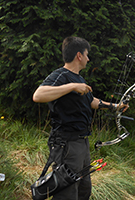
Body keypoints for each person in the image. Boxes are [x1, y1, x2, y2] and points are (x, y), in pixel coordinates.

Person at [33, 36, 128, 200]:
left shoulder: (80, 79)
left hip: (82, 142)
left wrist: (115, 106)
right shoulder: (61, 75)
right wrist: (71, 87)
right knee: (67, 193)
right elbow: (38, 95)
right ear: (79, 55)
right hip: (66, 143)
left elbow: (91, 101)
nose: (88, 58)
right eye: (86, 54)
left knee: (84, 189)